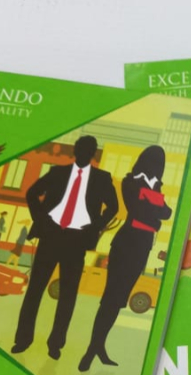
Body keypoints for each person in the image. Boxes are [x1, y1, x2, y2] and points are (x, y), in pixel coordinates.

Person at [11, 135, 118, 360]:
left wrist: (95, 227)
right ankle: (23, 340)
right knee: (35, 291)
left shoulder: (101, 178)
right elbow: (32, 193)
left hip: (77, 240)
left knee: (68, 295)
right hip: (50, 236)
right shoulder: (57, 173)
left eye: (87, 150)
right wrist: (41, 220)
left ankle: (56, 344)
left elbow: (113, 207)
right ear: (75, 151)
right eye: (80, 149)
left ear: (92, 154)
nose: (83, 153)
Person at [80, 146, 172, 371]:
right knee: (110, 297)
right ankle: (91, 349)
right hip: (126, 244)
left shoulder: (155, 186)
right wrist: (155, 212)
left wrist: (152, 206)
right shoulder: (130, 182)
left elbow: (166, 213)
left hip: (142, 247)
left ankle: (99, 346)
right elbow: (141, 211)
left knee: (119, 299)